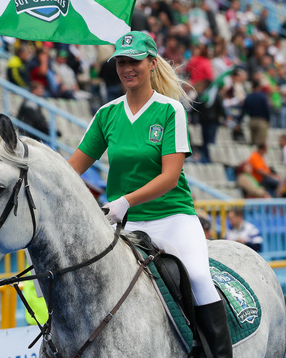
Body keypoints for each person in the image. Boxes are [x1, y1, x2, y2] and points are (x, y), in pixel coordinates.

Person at [67, 31, 232, 358]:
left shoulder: (171, 111)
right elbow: (71, 170)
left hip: (172, 218)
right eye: (121, 62)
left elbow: (170, 177)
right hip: (124, 226)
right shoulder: (106, 114)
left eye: (134, 61)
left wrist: (125, 201)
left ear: (152, 63)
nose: (127, 68)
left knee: (198, 276)